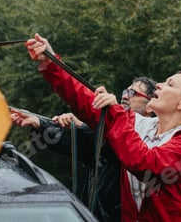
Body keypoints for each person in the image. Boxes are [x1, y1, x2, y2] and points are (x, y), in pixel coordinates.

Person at [25, 33, 181, 222]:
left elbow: (146, 164)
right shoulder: (141, 125)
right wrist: (52, 62)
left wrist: (117, 113)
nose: (159, 86)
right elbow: (87, 101)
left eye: (169, 84)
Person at [10, 76, 156, 222]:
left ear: (150, 106)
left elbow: (113, 149)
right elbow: (73, 146)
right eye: (126, 91)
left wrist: (80, 126)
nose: (125, 96)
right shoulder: (111, 134)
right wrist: (39, 123)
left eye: (133, 93)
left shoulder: (149, 140)